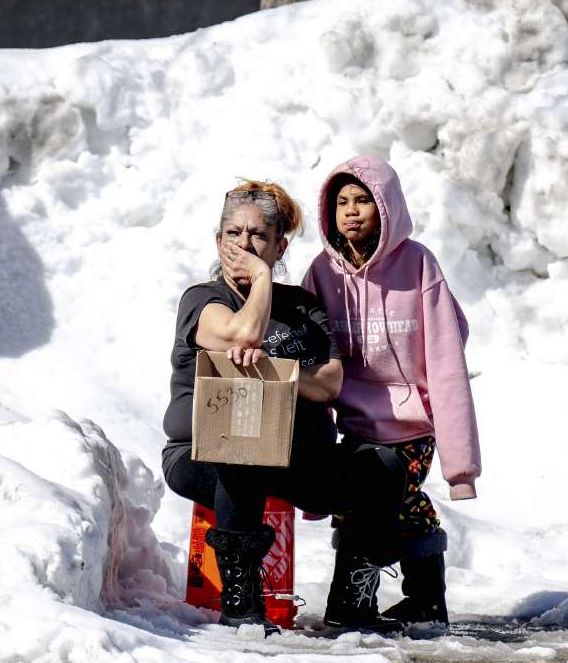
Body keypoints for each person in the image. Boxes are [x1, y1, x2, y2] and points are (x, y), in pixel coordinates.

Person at [162, 179, 408, 635]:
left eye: (258, 236)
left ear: (280, 246)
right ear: (218, 242)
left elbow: (330, 381)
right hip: (202, 454)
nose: (245, 245)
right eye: (233, 235)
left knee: (383, 467)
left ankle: (352, 600)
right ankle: (241, 602)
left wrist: (271, 373)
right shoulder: (203, 299)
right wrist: (259, 280)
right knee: (245, 449)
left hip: (297, 457)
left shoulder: (301, 305)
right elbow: (241, 335)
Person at [302, 154, 482, 630]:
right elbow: (308, 355)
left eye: (363, 200)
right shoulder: (323, 272)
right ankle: (426, 603)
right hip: (356, 425)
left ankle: (349, 604)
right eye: (341, 202)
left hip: (413, 426)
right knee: (395, 504)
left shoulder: (418, 264)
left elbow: (447, 362)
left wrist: (460, 469)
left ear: (386, 207)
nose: (352, 211)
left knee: (376, 493)